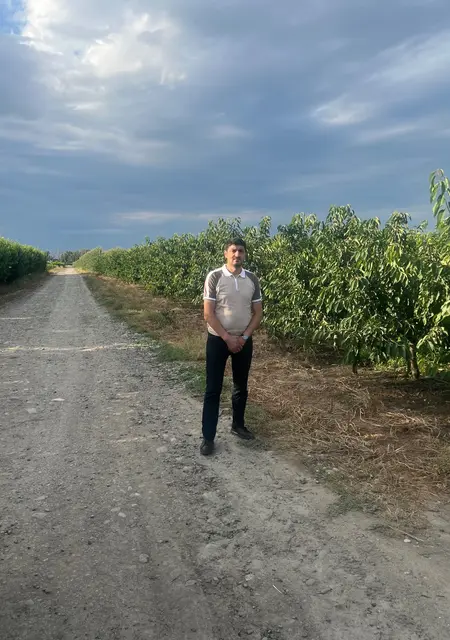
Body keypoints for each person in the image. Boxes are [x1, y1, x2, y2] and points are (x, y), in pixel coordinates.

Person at [200, 238, 263, 456]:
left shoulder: (252, 279)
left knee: (240, 386)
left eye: (241, 251)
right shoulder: (215, 276)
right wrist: (227, 337)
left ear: (245, 254)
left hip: (243, 340)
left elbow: (258, 313)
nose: (237, 254)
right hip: (218, 340)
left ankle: (238, 425)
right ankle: (208, 437)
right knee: (213, 389)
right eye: (233, 250)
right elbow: (208, 313)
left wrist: (244, 337)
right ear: (226, 253)